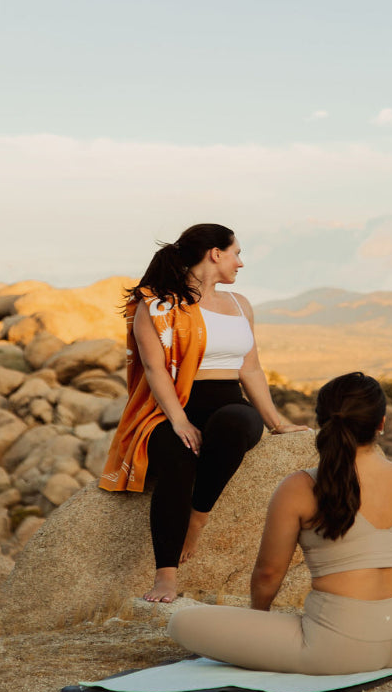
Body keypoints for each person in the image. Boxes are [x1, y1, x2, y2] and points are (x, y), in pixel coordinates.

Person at [168, 371, 392, 674]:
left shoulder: (300, 486)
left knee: (181, 622)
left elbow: (269, 573)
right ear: (381, 424)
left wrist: (259, 620)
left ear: (322, 422)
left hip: (338, 649)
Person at [99, 223, 309, 603]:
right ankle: (165, 577)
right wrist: (179, 420)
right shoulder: (159, 304)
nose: (240, 263)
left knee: (239, 423)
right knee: (177, 457)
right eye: (236, 253)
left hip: (227, 400)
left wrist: (277, 423)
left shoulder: (240, 304)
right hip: (174, 404)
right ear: (215, 253)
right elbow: (154, 367)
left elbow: (251, 368)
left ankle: (199, 515)